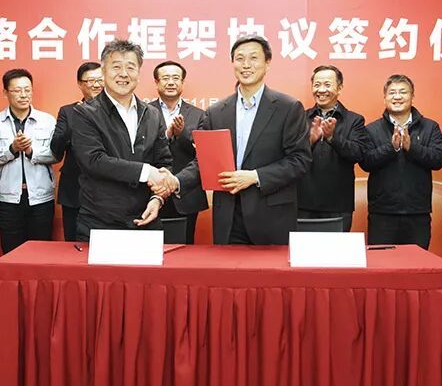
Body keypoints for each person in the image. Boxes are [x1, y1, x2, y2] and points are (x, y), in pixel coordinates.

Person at [172, 36, 311, 245]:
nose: (246, 65)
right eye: (240, 59)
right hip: (229, 217)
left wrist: (255, 176)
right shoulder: (216, 112)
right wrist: (176, 181)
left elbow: (300, 160)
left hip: (271, 217)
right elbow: (204, 161)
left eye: (253, 58)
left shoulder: (288, 108)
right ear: (233, 63)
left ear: (267, 63)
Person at [68, 40, 173, 241]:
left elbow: (164, 162)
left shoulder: (152, 114)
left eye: (130, 67)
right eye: (116, 67)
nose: (124, 74)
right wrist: (146, 172)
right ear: (104, 71)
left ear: (139, 73)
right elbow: (93, 160)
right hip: (100, 222)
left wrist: (157, 198)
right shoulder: (85, 113)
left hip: (146, 219)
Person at [360, 74, 442, 249]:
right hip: (382, 213)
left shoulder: (430, 127)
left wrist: (411, 147)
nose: (397, 97)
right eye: (392, 93)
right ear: (385, 98)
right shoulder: (371, 129)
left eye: (403, 92)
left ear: (412, 96)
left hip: (417, 212)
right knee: (382, 263)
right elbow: (365, 162)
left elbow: (438, 159)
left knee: (417, 263)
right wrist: (391, 148)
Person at [0, 68, 57, 253]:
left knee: (41, 253)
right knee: (11, 253)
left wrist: (30, 151)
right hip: (8, 199)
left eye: (27, 90)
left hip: (41, 198)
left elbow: (56, 154)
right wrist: (12, 149)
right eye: (17, 90)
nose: (23, 95)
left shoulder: (47, 121)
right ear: (5, 92)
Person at [297, 65, 368, 231]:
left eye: (327, 85)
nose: (321, 90)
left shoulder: (354, 120)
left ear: (339, 88)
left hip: (338, 205)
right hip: (303, 203)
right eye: (317, 85)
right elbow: (289, 155)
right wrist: (309, 141)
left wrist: (332, 138)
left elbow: (358, 154)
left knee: (337, 249)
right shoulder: (300, 117)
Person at [149, 60, 208, 243]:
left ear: (182, 82)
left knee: (185, 248)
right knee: (152, 248)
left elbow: (203, 154)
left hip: (187, 193)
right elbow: (140, 149)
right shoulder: (145, 112)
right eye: (165, 78)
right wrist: (167, 135)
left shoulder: (200, 115)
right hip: (152, 191)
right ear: (157, 82)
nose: (171, 82)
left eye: (175, 78)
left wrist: (182, 134)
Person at [50, 62, 102, 241]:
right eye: (91, 80)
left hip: (108, 192)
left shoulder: (117, 112)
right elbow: (56, 149)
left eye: (100, 80)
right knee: (73, 244)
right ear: (80, 84)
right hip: (75, 190)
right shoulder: (69, 112)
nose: (97, 85)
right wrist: (78, 120)